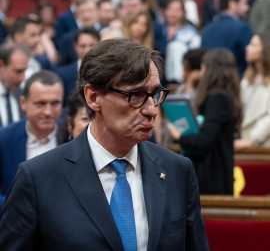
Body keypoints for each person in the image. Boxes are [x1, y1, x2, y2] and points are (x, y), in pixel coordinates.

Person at [0, 38, 210, 250]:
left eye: (155, 95)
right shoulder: (38, 178)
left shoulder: (177, 170)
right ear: (93, 97)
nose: (151, 110)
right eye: (136, 95)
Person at [168, 48, 242, 195]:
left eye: (202, 68)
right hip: (214, 175)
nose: (200, 73)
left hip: (213, 178)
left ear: (210, 70)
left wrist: (179, 136)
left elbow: (204, 140)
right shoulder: (224, 97)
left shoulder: (218, 99)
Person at [0, 71, 64, 209]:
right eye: (40, 104)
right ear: (23, 103)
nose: (48, 112)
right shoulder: (4, 139)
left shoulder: (72, 137)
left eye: (55, 103)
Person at [201, 0, 253, 78]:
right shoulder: (242, 28)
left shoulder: (207, 28)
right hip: (235, 84)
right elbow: (251, 61)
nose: (247, 8)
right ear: (232, 4)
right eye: (244, 3)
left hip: (209, 83)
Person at [234, 34, 270, 150]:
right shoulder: (246, 79)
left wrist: (252, 139)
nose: (247, 47)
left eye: (253, 45)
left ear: (265, 50)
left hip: (263, 145)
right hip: (243, 141)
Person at [57, 27, 100, 106]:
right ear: (75, 46)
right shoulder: (62, 74)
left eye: (92, 45)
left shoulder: (108, 72)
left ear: (99, 45)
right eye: (82, 46)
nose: (87, 50)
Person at [161, 0, 201, 84]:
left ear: (184, 12)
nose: (173, 13)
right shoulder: (159, 30)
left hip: (180, 79)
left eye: (177, 10)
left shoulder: (190, 32)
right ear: (165, 11)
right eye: (170, 9)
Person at [58, 0, 100, 66]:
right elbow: (63, 67)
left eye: (90, 10)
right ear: (77, 16)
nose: (87, 15)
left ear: (97, 12)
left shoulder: (107, 33)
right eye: (82, 12)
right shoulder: (68, 39)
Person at [0, 43, 30, 127]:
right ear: (1, 66)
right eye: (18, 71)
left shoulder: (21, 94)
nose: (23, 78)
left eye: (25, 71)